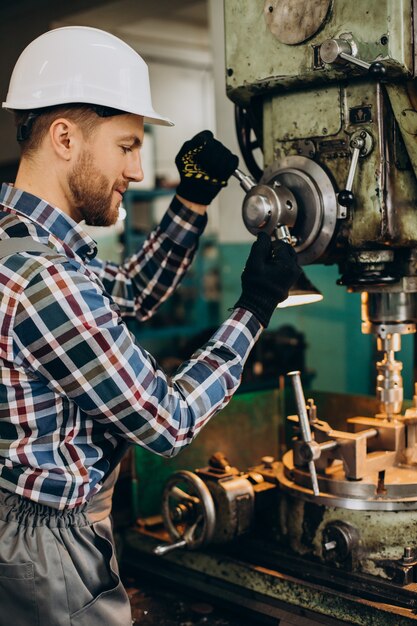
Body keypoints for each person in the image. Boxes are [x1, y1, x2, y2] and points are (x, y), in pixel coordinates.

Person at [0, 26, 301, 626]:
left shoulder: (23, 242)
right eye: (127, 145)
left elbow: (132, 294)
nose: (138, 169)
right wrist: (255, 308)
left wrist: (192, 199)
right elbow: (167, 421)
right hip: (49, 547)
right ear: (64, 137)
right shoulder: (44, 282)